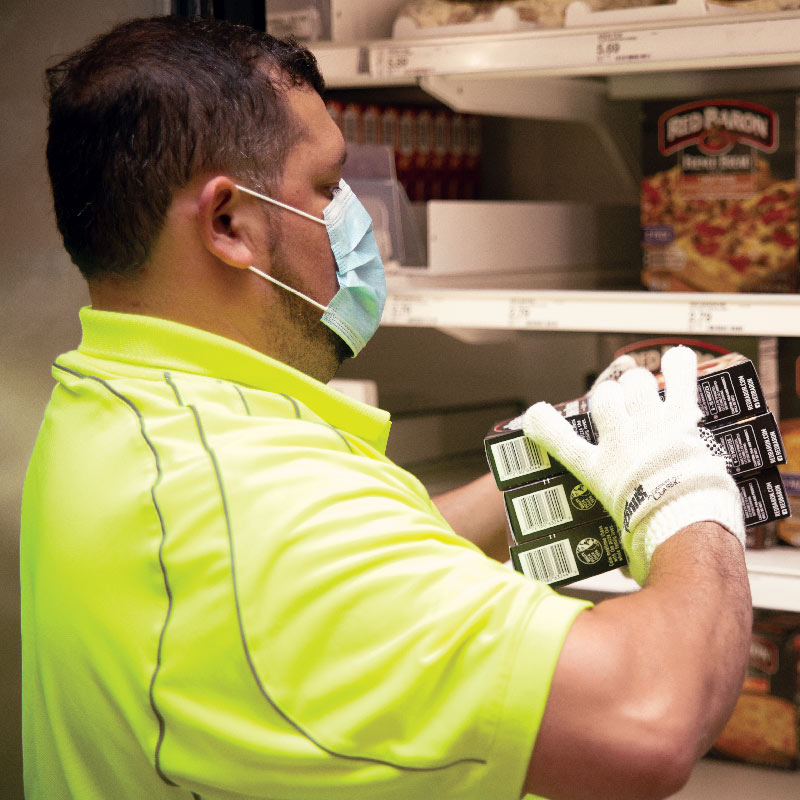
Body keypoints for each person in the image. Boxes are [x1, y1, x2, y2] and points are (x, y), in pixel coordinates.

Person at [21, 14, 752, 800]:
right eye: (329, 187)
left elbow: (337, 574)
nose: (355, 218)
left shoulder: (119, 402)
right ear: (229, 223)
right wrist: (679, 487)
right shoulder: (250, 516)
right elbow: (651, 717)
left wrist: (560, 470)